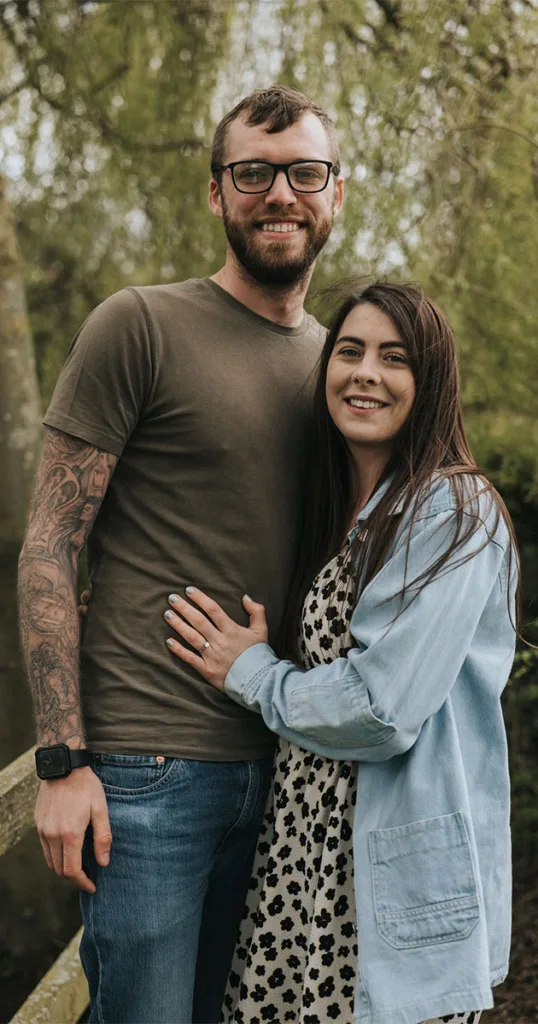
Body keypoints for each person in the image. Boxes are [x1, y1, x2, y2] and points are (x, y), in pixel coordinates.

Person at [17, 86, 344, 1024]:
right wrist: (60, 760)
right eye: (253, 173)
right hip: (143, 774)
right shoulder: (141, 324)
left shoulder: (338, 366)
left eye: (303, 173)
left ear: (334, 194)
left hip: (287, 771)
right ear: (216, 193)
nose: (280, 193)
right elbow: (49, 546)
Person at [161, 282, 518, 1024]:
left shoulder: (454, 510)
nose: (365, 373)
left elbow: (381, 711)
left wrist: (251, 672)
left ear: (431, 383)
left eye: (395, 358)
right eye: (349, 351)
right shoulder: (342, 509)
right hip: (299, 867)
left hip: (385, 890)